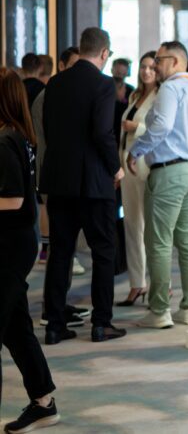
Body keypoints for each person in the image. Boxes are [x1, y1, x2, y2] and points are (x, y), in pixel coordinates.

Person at [40, 27, 126, 345]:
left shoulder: (56, 83)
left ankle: (54, 325)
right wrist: (116, 169)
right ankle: (101, 323)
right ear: (104, 53)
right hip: (93, 183)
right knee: (104, 251)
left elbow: (48, 129)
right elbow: (102, 133)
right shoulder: (103, 84)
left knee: (60, 253)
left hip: (59, 180)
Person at [127, 41, 188, 329]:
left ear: (177, 62)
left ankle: (159, 310)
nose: (155, 65)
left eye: (159, 59)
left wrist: (136, 150)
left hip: (169, 172)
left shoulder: (170, 89)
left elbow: (163, 126)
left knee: (159, 242)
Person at [0, 67, 60, 433]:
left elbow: (13, 200)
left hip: (10, 245)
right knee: (15, 326)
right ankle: (43, 401)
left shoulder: (7, 140)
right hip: (16, 242)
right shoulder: (17, 136)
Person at [115, 51, 159, 306]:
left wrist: (138, 128)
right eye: (143, 67)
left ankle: (160, 284)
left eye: (152, 68)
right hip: (127, 166)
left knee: (152, 230)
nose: (146, 72)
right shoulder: (134, 96)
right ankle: (136, 284)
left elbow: (163, 129)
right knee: (132, 226)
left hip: (147, 165)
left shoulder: (161, 97)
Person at [32, 48, 79, 271]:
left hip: (60, 172)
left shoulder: (59, 93)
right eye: (74, 65)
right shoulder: (49, 95)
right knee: (60, 235)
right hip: (54, 172)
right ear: (61, 66)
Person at [110, 58, 134, 143]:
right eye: (118, 71)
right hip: (106, 129)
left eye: (122, 72)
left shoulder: (131, 90)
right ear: (112, 69)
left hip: (123, 130)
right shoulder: (103, 86)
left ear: (127, 72)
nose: (120, 73)